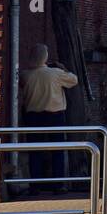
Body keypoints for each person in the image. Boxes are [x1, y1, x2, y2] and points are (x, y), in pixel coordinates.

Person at [20, 43, 78, 191]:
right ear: (45, 57)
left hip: (32, 117)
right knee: (57, 150)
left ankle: (35, 186)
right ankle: (58, 184)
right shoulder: (55, 73)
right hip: (55, 115)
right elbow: (74, 80)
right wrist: (62, 68)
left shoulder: (25, 75)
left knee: (35, 151)